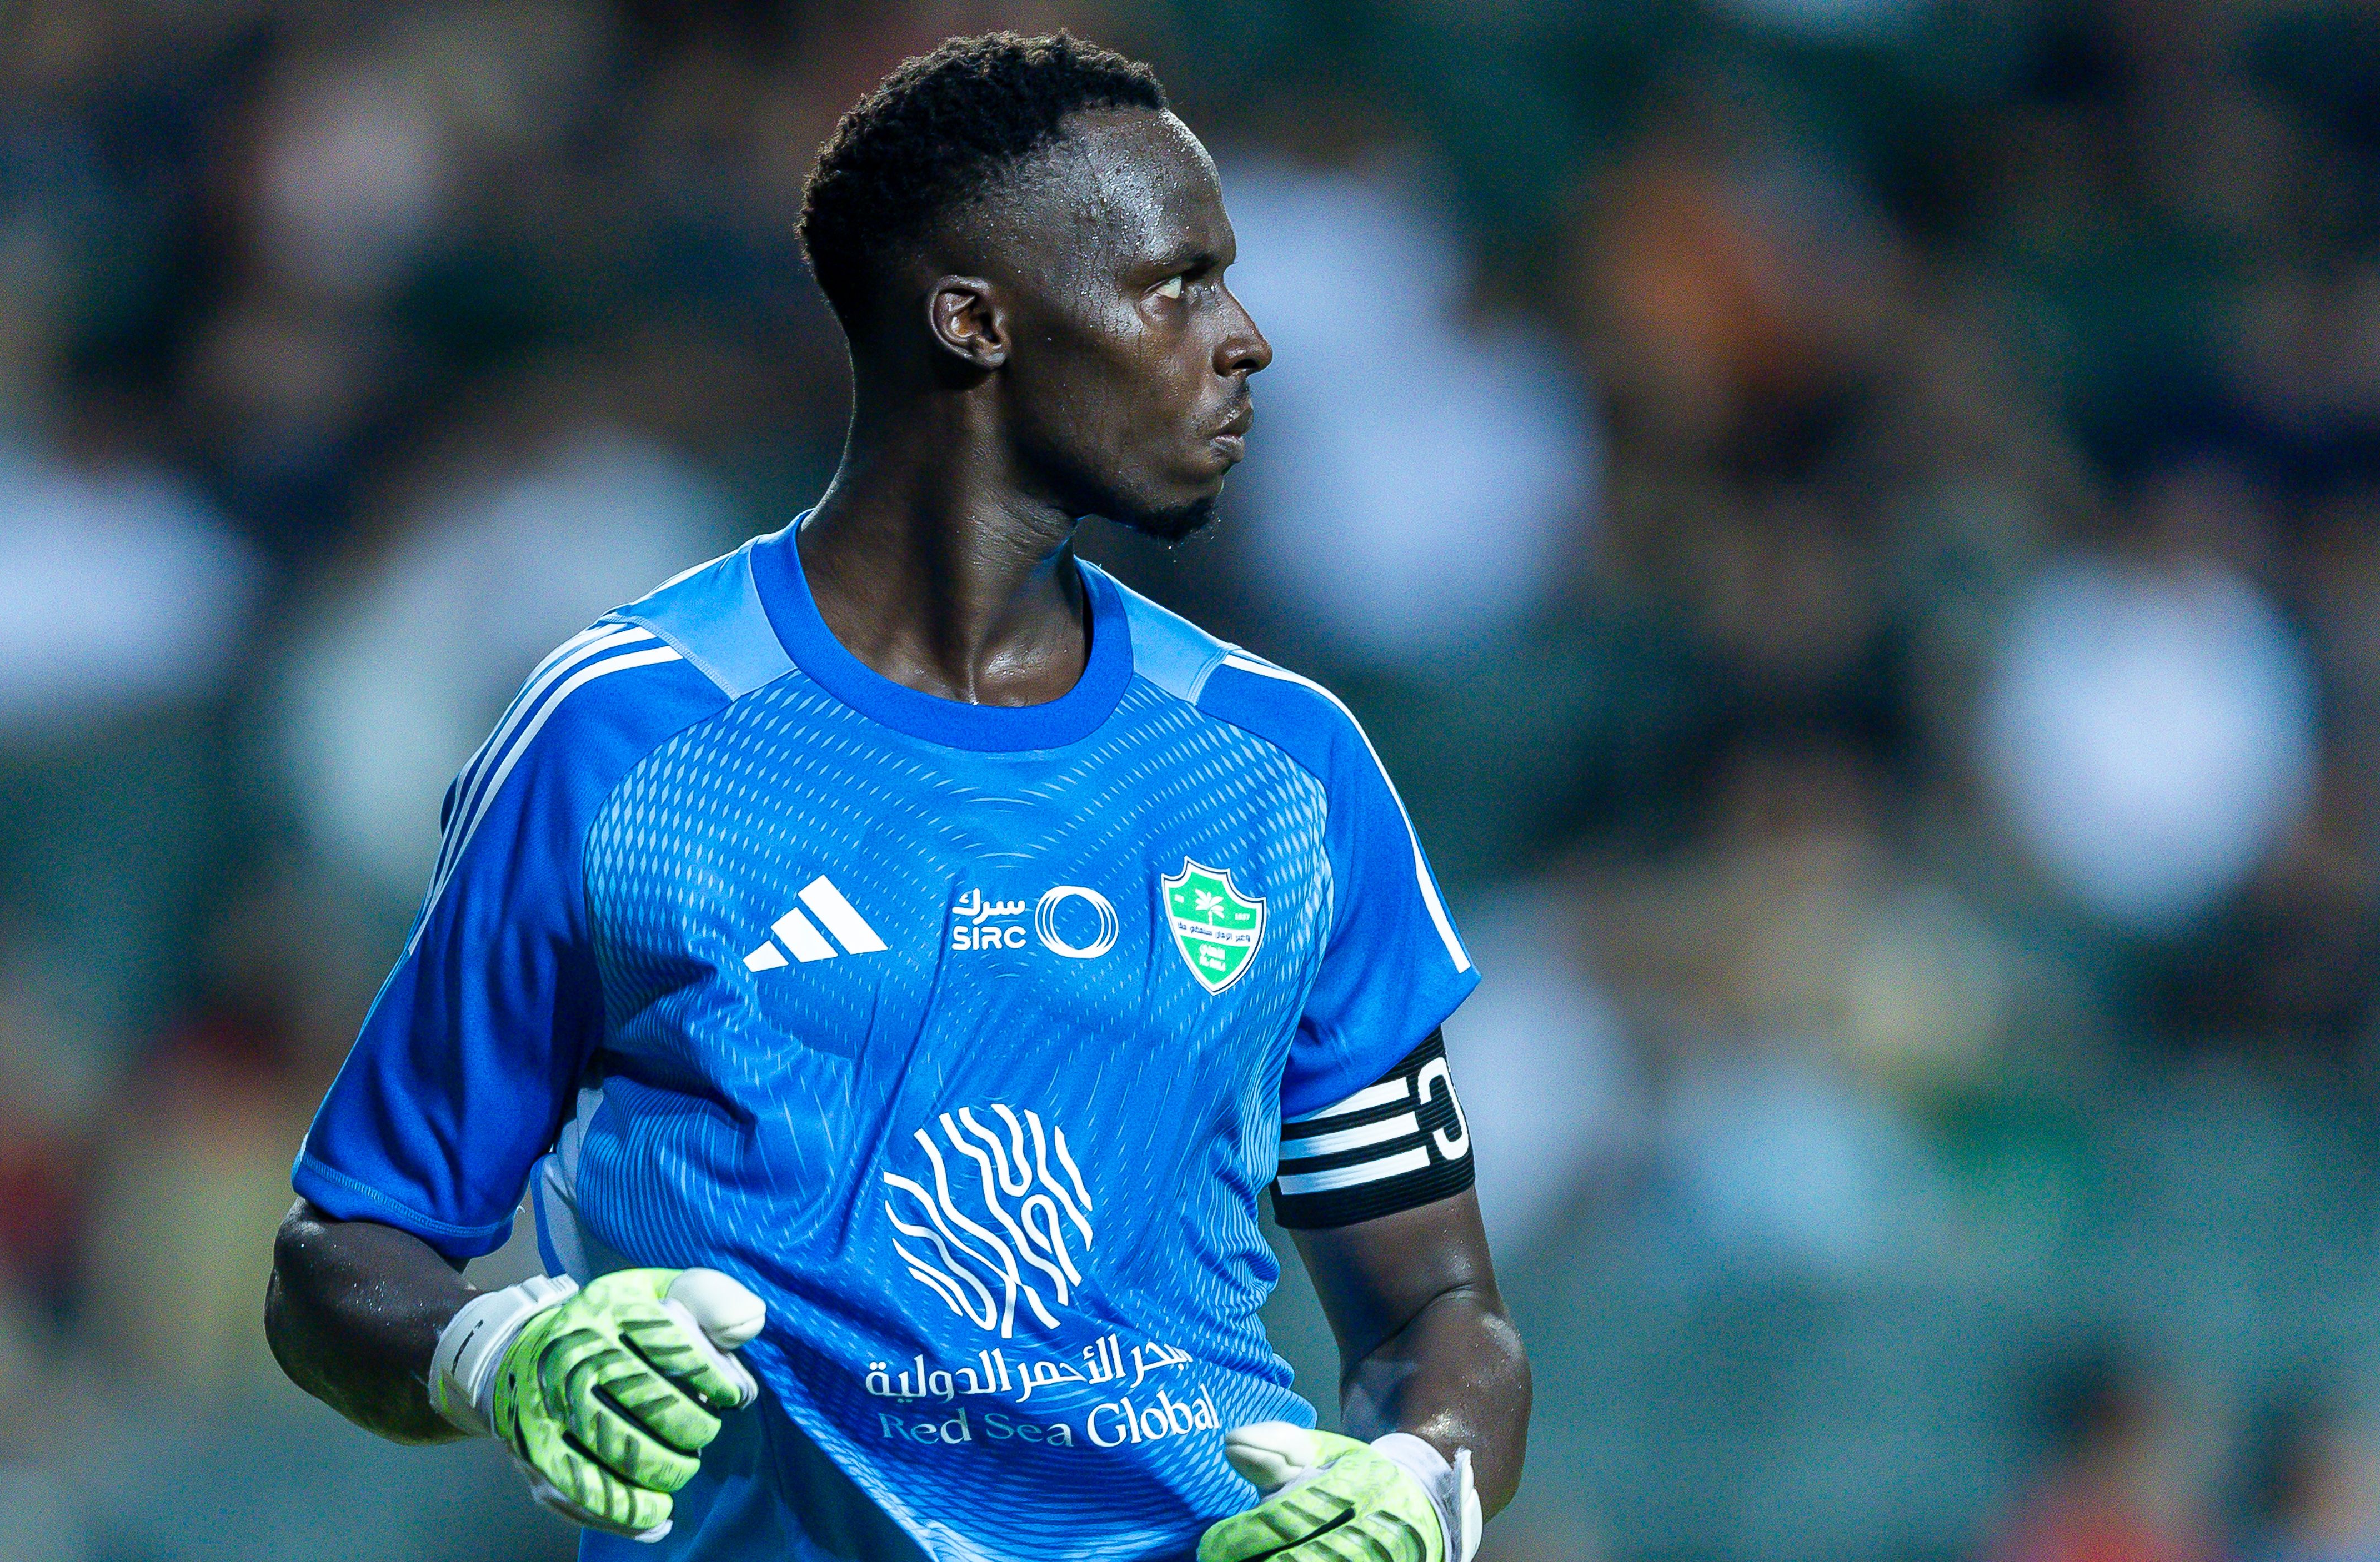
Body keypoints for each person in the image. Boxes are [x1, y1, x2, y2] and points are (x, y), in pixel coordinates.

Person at [263, 31, 1529, 1562]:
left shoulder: (1286, 768)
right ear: (975, 322)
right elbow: (346, 1255)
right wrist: (493, 1353)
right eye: (1178, 285)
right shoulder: (623, 739)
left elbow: (1440, 1310)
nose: (1245, 338)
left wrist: (1423, 1483)